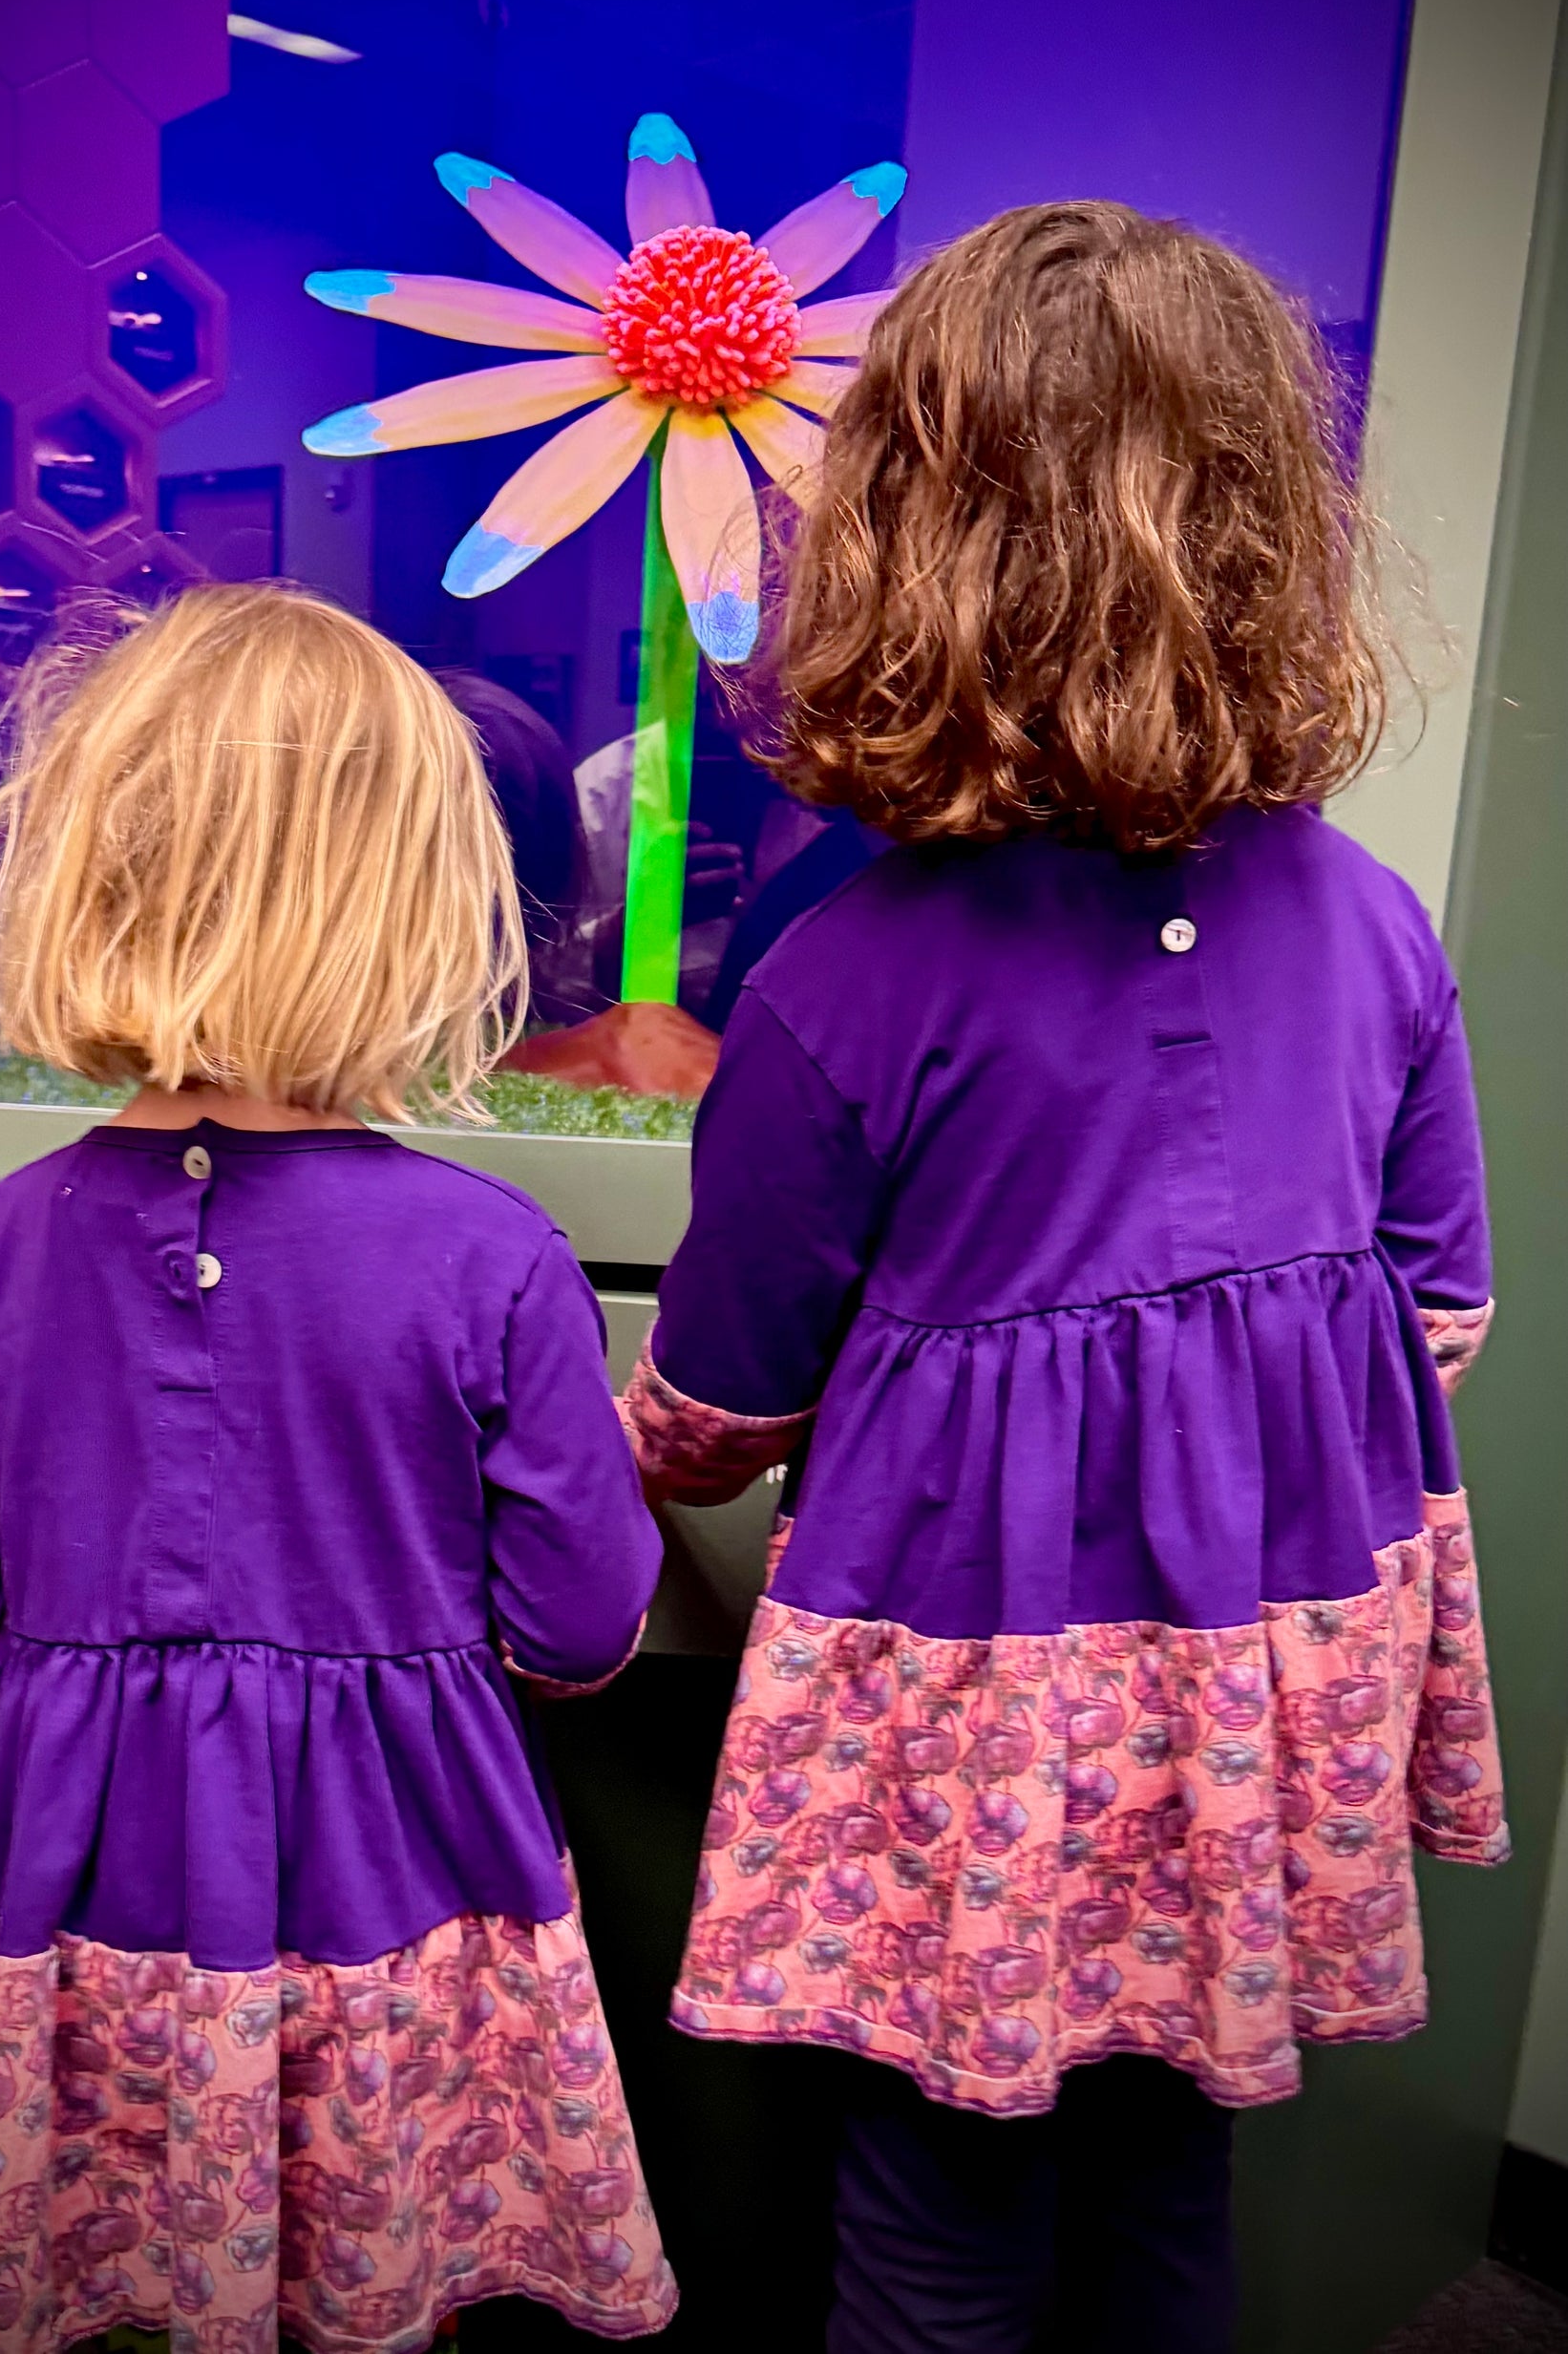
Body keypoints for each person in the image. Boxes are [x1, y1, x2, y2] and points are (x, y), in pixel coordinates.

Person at [619, 203, 1505, 2353]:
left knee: (940, 2182)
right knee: (1167, 2149)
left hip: (974, 1713)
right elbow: (1441, 1311)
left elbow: (727, 1396)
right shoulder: (1373, 921)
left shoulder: (842, 975)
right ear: (1266, 530)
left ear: (905, 537)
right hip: (1251, 1692)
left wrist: (626, 1447)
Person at [0, 585, 676, 2354]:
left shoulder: (0, 1242)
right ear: (421, 907)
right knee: (377, 2286)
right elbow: (583, 1621)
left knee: (114, 2281)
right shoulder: (489, 1254)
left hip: (77, 1878)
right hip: (390, 1879)